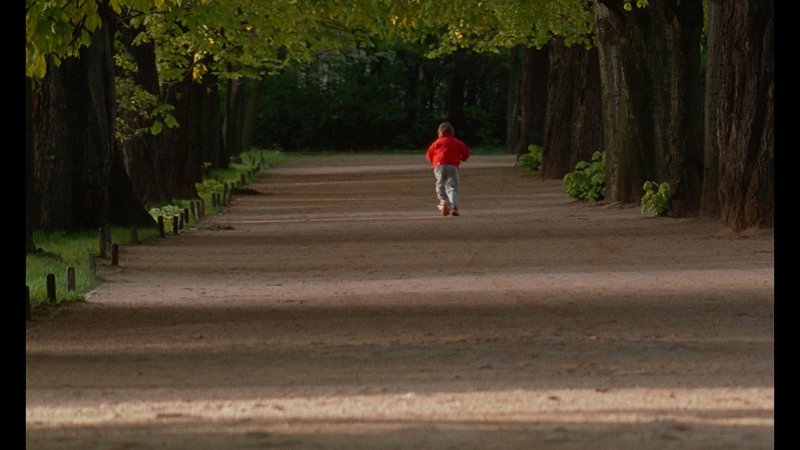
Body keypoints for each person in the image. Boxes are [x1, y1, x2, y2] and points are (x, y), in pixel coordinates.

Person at [425, 121, 470, 216]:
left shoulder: (436, 142)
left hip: (439, 165)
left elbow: (429, 155)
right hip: (452, 166)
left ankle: (443, 201)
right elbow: (466, 153)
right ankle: (453, 205)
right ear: (452, 132)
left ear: (439, 133)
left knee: (440, 184)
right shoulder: (457, 142)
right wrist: (462, 158)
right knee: (452, 186)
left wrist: (434, 163)